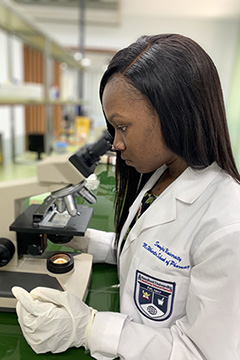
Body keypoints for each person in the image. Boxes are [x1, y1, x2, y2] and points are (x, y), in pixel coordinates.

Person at [12, 34, 240, 360]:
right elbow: (148, 254)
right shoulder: (162, 176)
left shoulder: (228, 225)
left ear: (175, 116)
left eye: (122, 127)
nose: (116, 144)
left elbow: (202, 353)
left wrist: (89, 328)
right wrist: (85, 241)